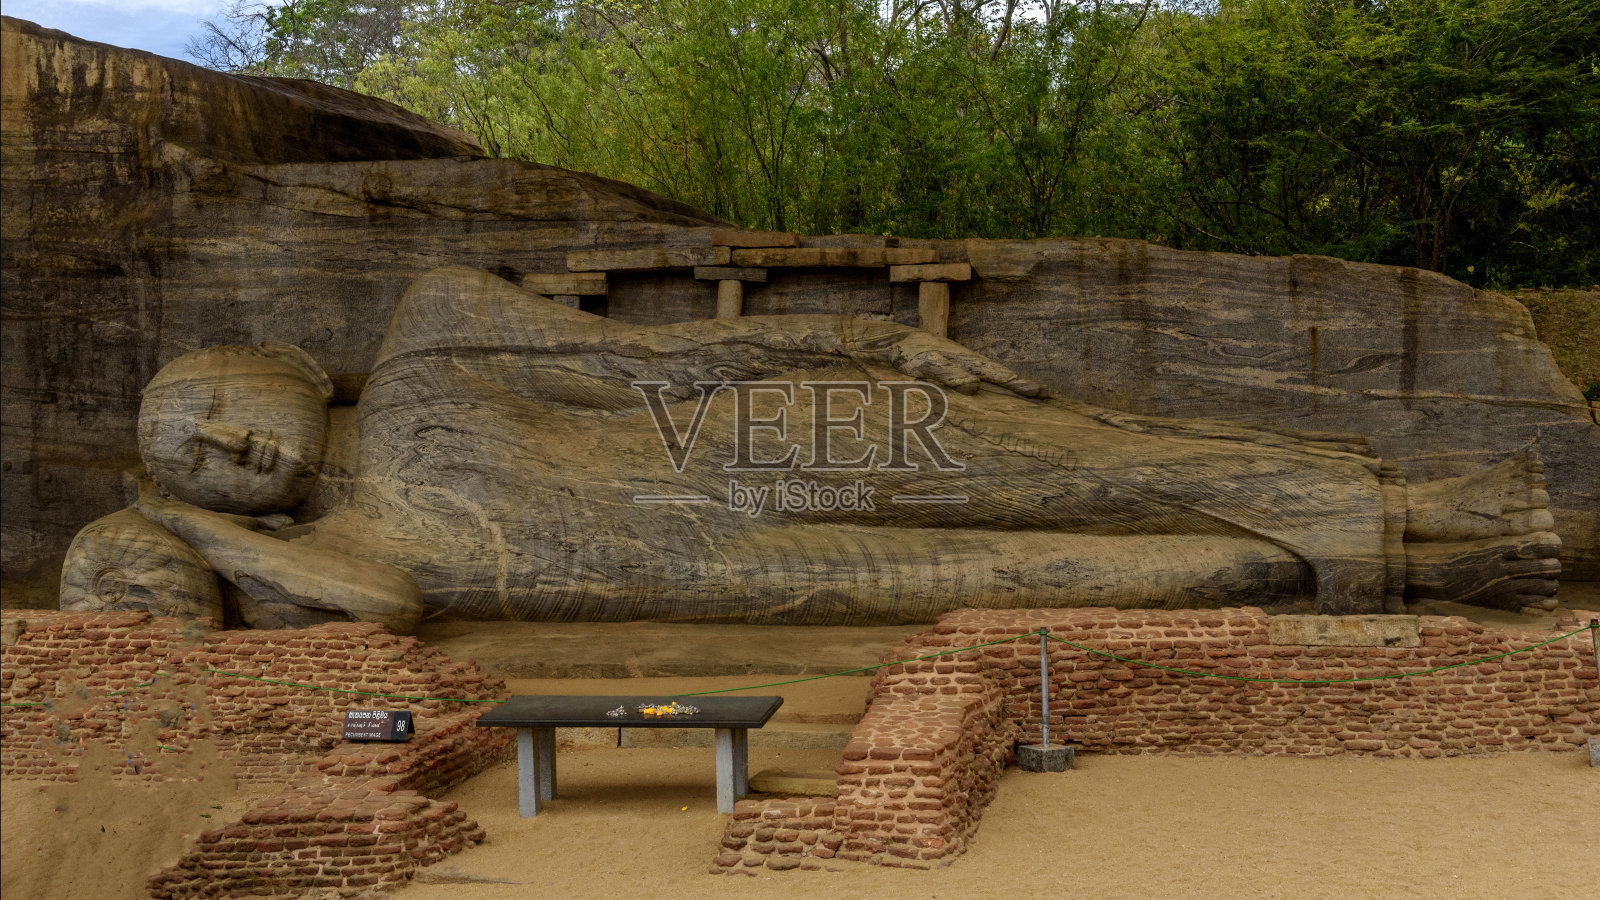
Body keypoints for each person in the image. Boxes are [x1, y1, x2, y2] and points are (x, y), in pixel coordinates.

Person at [61, 267, 1561, 630]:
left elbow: (662, 355)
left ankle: (1438, 505)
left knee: (1096, 461)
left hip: (794, 442)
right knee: (1106, 571)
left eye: (213, 403)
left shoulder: (433, 339)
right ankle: (1434, 568)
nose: (226, 446)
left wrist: (860, 344)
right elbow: (387, 616)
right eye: (188, 454)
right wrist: (193, 537)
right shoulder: (338, 550)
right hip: (762, 559)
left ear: (273, 363)